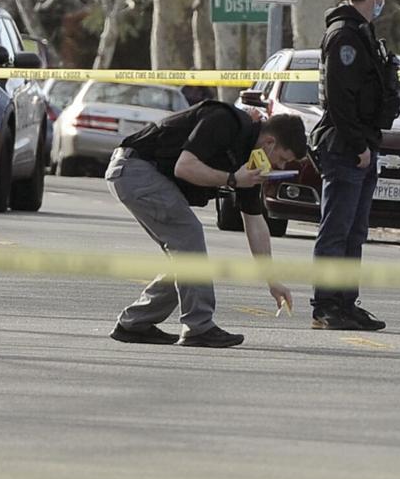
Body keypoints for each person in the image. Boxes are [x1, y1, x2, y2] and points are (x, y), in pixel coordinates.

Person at [106, 101, 308, 348]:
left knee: (186, 256)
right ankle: (198, 327)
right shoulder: (224, 121)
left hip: (142, 175)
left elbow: (255, 222)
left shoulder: (251, 162)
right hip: (135, 168)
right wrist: (233, 179)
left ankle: (134, 323)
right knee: (190, 237)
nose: (280, 167)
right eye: (282, 159)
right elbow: (184, 167)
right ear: (269, 142)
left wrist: (272, 280)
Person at [309, 0, 400, 331]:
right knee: (336, 230)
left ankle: (346, 303)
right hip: (346, 148)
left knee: (353, 232)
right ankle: (325, 306)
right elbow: (339, 100)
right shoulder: (345, 36)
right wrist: (358, 145)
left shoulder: (362, 32)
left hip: (363, 145)